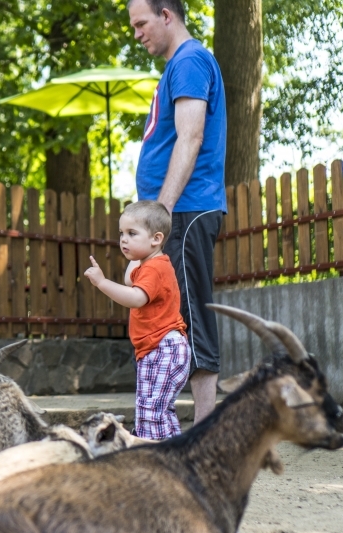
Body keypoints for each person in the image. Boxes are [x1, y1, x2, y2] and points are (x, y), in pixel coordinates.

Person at [129, 0, 227, 424]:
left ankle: (205, 433)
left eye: (141, 24)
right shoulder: (178, 66)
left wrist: (161, 214)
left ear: (166, 15)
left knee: (190, 318)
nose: (137, 34)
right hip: (177, 214)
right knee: (171, 317)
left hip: (185, 211)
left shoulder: (189, 61)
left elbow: (191, 137)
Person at [84, 201, 190, 439]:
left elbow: (135, 298)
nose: (123, 239)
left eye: (132, 233)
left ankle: (152, 454)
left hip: (164, 348)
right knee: (154, 410)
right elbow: (129, 280)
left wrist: (102, 283)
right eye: (121, 233)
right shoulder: (149, 265)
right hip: (157, 349)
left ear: (156, 239)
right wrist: (134, 249)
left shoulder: (155, 269)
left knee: (152, 411)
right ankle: (173, 452)